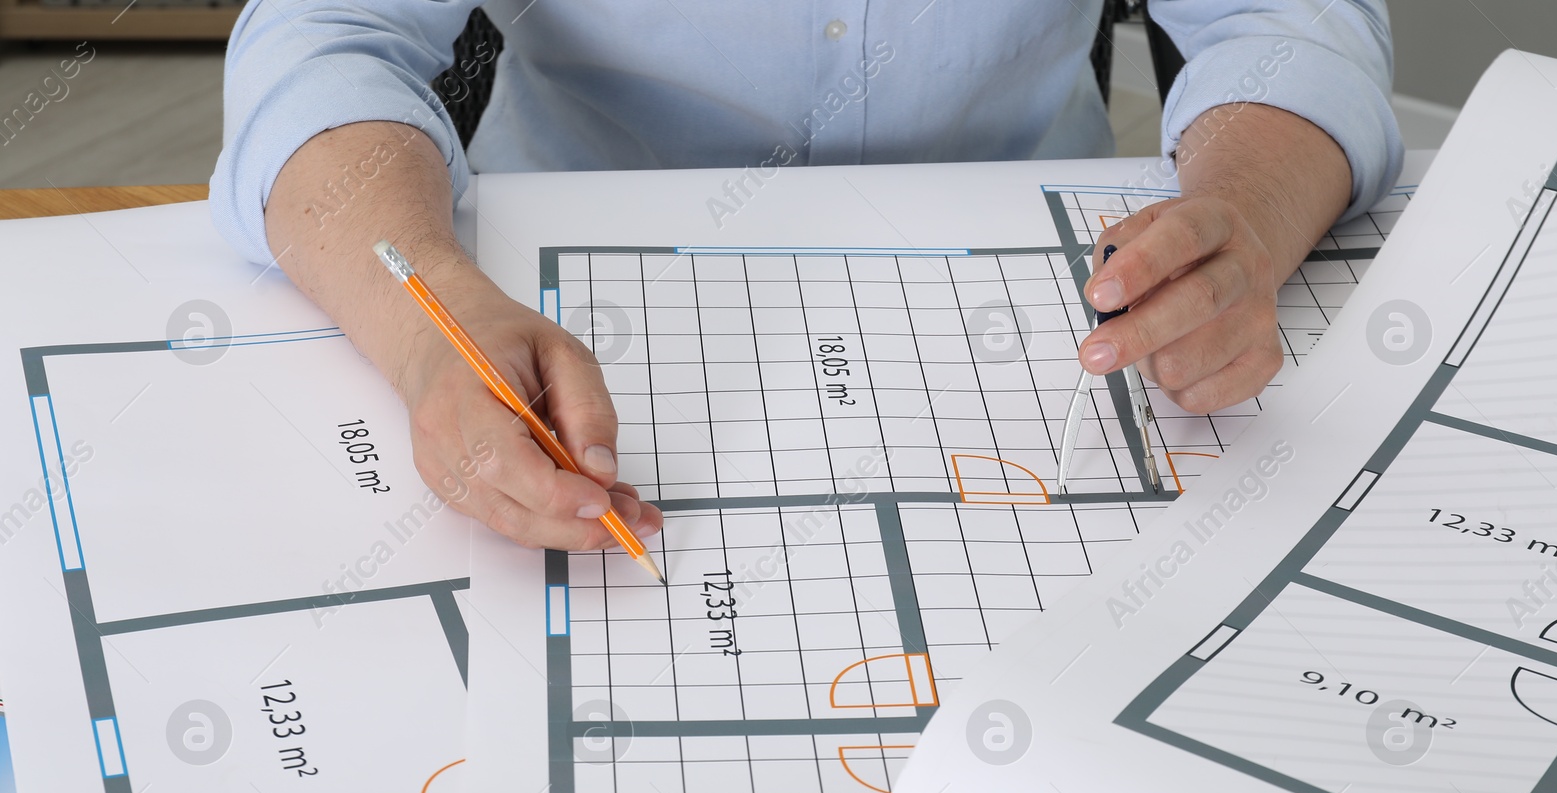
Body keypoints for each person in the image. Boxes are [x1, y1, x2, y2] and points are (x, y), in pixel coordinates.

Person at [212, 1, 1402, 551]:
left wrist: (1244, 213)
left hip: (1064, 318)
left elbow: (1293, 25)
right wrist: (426, 318)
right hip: (559, 315)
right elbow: (320, 37)